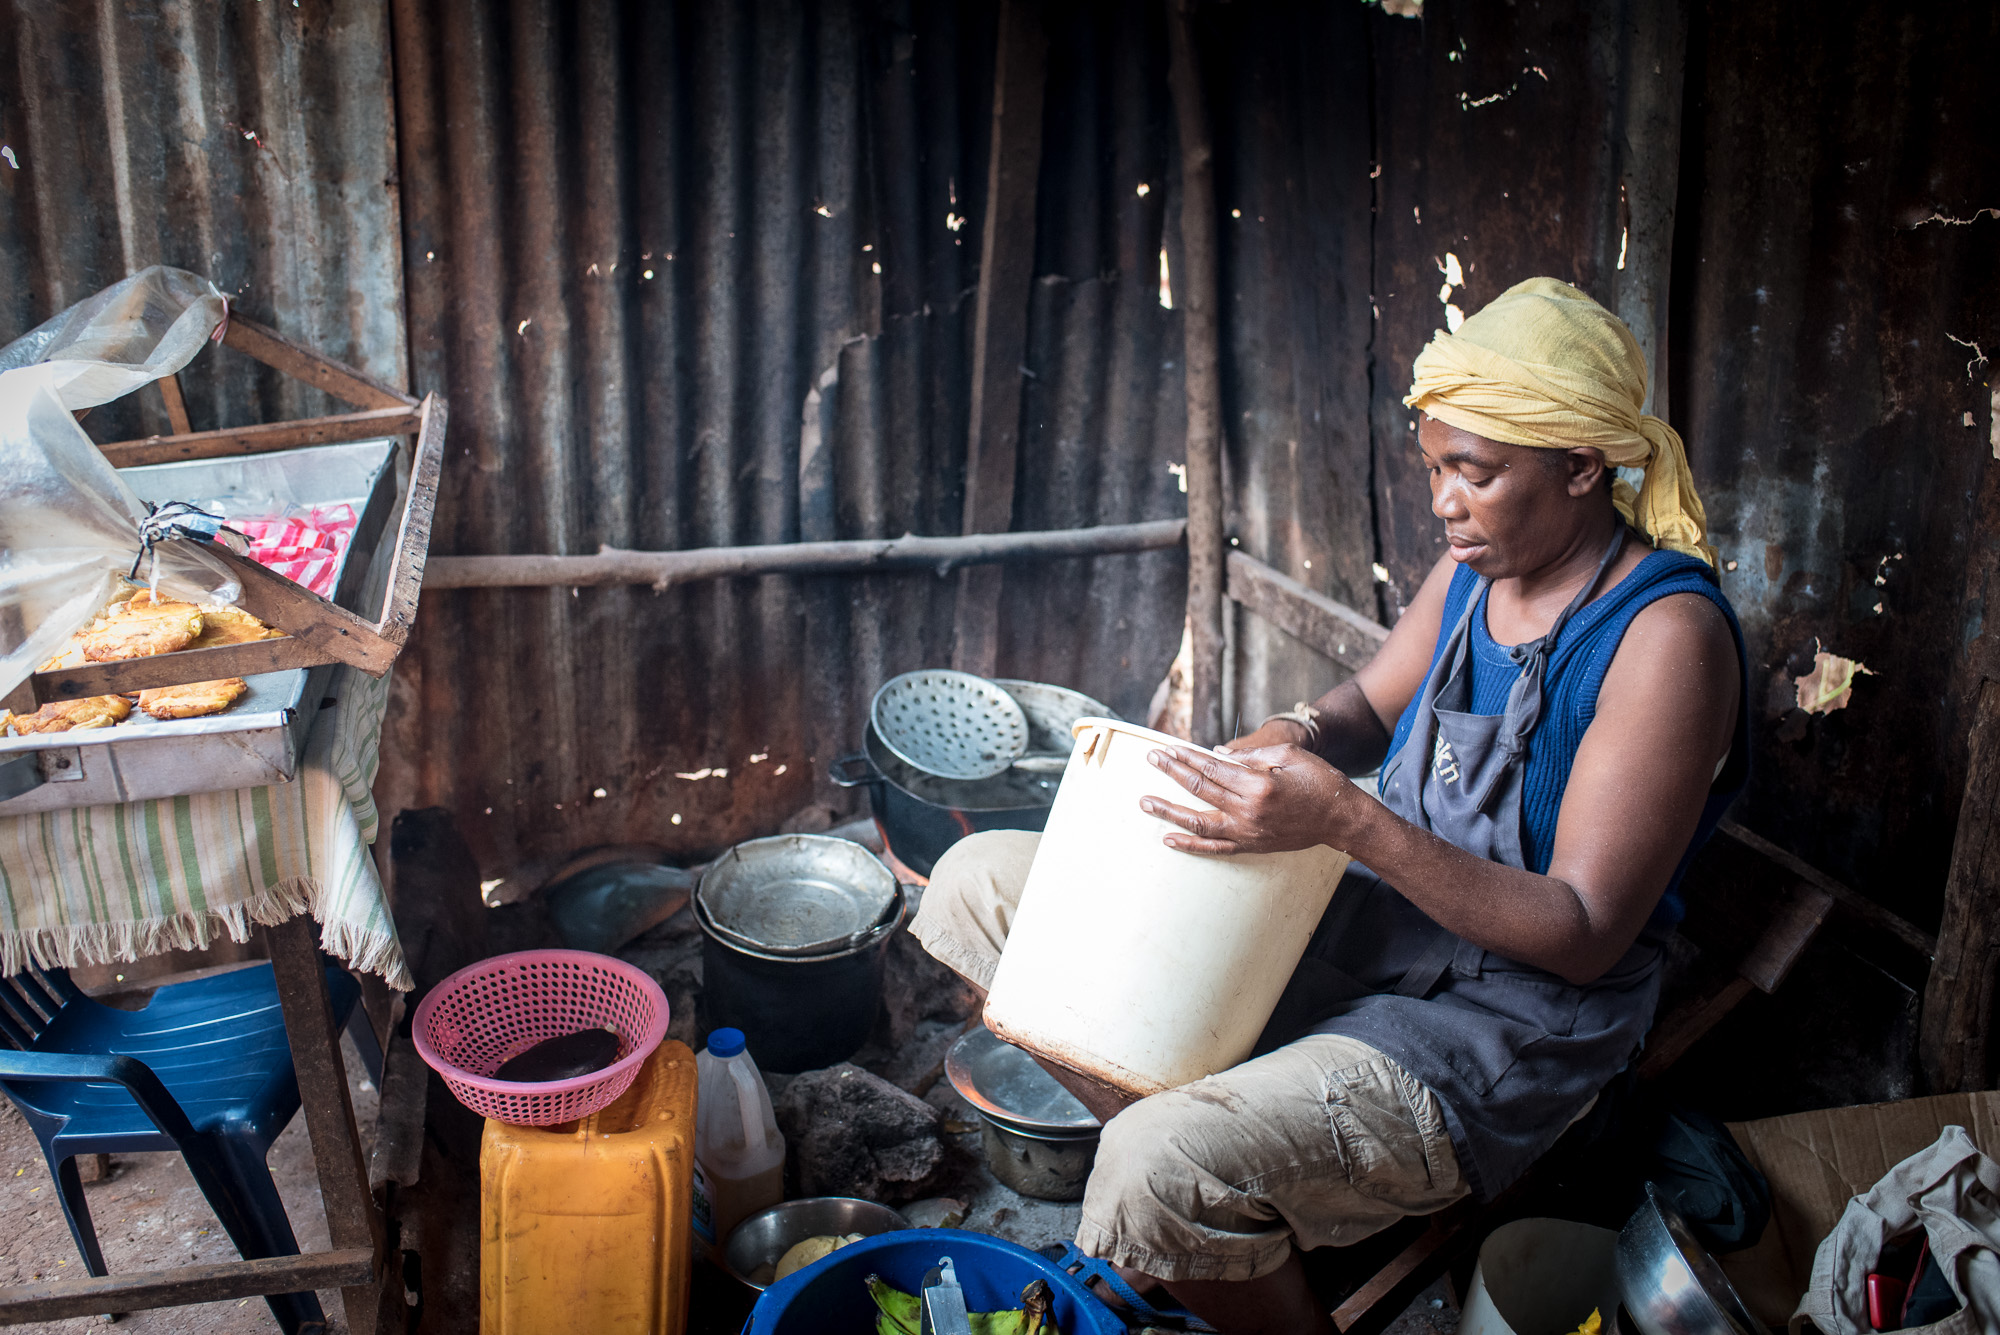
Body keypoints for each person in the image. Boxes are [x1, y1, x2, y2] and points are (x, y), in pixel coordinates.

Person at [911, 277, 1749, 1335]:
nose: (1443, 502)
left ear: (1582, 467)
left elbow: (1581, 935)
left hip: (1503, 1021)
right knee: (981, 884)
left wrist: (1348, 821)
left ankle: (1210, 1211)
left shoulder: (1663, 638)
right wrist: (1294, 735)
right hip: (1369, 927)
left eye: (1473, 474)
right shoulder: (1477, 573)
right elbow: (1360, 705)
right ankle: (1229, 1208)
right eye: (1435, 468)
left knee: (1152, 1160)